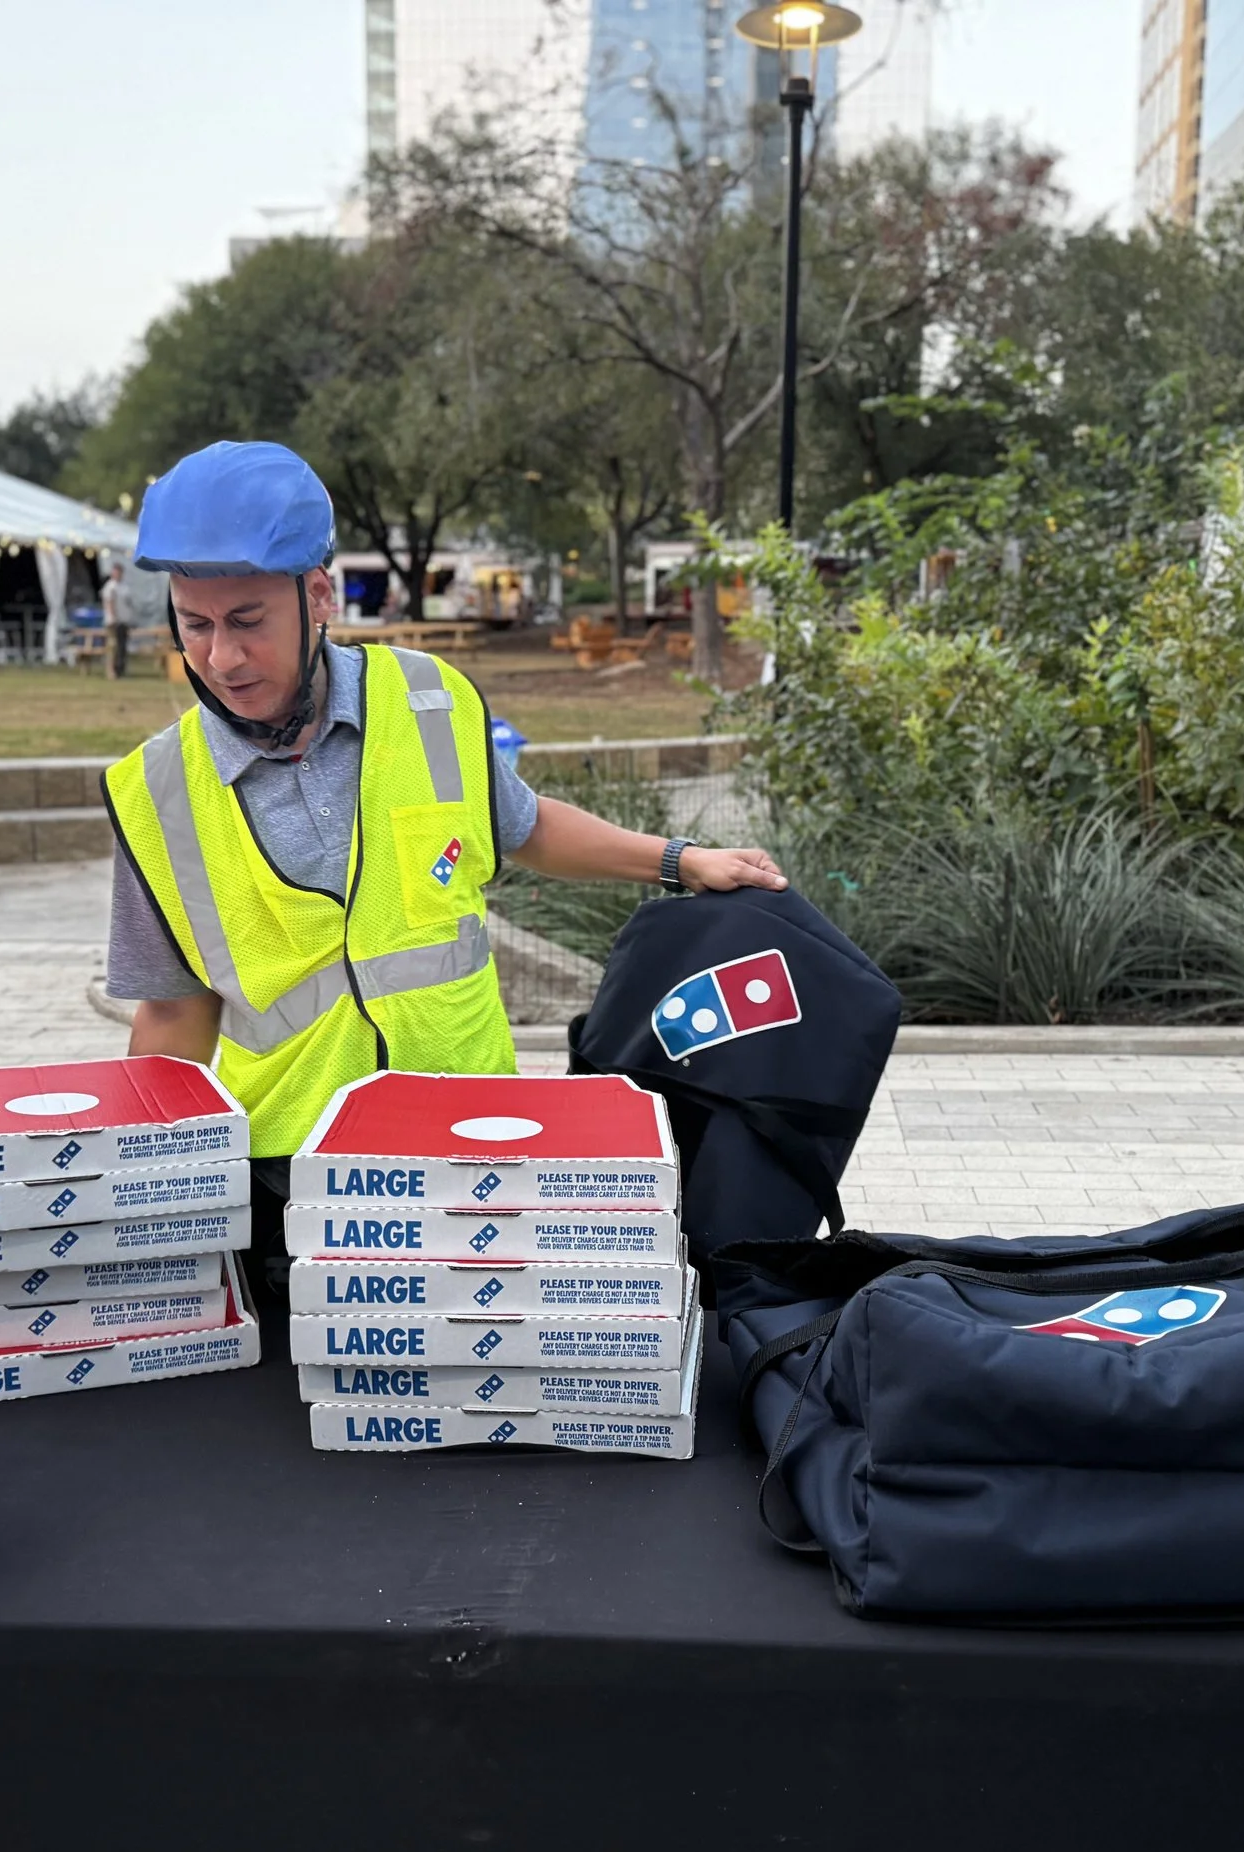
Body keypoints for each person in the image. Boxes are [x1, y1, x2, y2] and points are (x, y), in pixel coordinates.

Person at [104, 440, 786, 1274]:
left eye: (248, 621)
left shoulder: (429, 701)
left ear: (319, 595)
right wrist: (138, 1218)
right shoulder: (158, 792)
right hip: (290, 1185)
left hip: (472, 1144)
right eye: (194, 623)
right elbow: (173, 1019)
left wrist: (679, 859)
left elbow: (523, 826)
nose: (220, 657)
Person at [99, 561, 133, 681]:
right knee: (113, 647)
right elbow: (109, 603)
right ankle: (111, 671)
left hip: (124, 621)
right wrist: (113, 617)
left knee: (122, 647)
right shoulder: (110, 586)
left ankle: (120, 669)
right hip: (113, 621)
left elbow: (128, 603)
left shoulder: (124, 586)